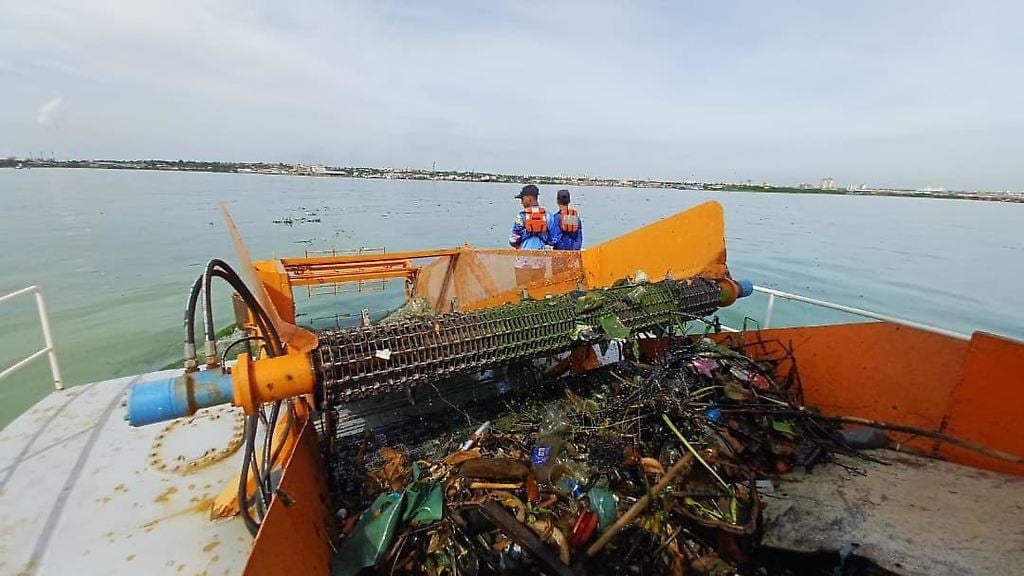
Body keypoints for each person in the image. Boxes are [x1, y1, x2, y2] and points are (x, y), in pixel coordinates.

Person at [508, 184, 549, 286]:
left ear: (529, 198)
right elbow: (552, 240)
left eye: (522, 198)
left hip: (522, 263)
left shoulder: (521, 216)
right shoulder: (548, 216)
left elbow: (513, 240)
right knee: (538, 292)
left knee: (522, 292)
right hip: (539, 263)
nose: (521, 202)